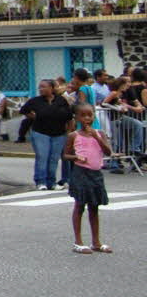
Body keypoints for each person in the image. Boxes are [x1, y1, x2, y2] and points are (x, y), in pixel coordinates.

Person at [63, 102, 113, 254]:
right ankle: (78, 242)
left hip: (96, 174)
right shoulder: (74, 135)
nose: (87, 118)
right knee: (80, 206)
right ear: (77, 117)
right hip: (81, 172)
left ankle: (96, 242)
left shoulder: (100, 133)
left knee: (94, 207)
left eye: (90, 115)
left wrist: (97, 137)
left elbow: (108, 152)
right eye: (83, 115)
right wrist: (76, 157)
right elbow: (65, 155)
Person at [21, 80, 73, 190]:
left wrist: (68, 133)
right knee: (42, 156)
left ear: (52, 88)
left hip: (59, 134)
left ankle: (51, 182)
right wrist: (31, 116)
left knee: (54, 158)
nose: (41, 89)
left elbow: (69, 117)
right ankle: (41, 181)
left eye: (44, 87)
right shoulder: (35, 101)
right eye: (40, 87)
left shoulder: (61, 100)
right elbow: (24, 110)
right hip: (41, 132)